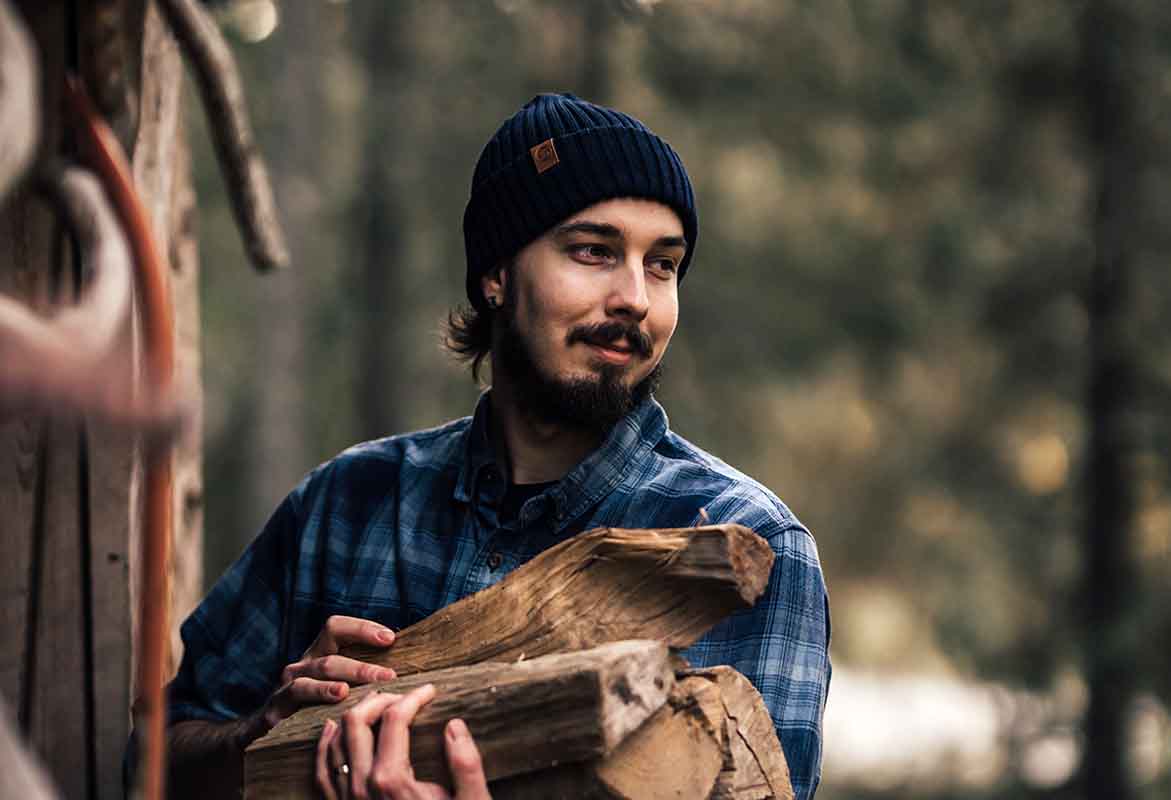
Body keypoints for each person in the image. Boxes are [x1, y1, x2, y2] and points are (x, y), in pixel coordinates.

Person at [162, 93, 831, 799]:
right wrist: (265, 734)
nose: (636, 296)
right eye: (593, 252)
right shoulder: (346, 504)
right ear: (496, 277)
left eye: (662, 264)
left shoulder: (750, 546)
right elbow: (153, 758)